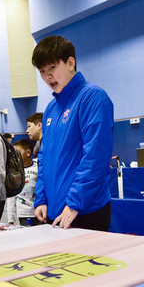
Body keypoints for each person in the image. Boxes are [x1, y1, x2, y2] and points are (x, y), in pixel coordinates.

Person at [31, 35, 114, 231]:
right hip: (54, 213)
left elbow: (95, 157)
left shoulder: (93, 97)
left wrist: (75, 203)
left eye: (52, 68)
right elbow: (44, 158)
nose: (47, 77)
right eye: (42, 71)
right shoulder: (50, 110)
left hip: (84, 212)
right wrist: (41, 198)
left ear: (70, 63)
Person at [6, 139, 39, 226]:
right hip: (23, 213)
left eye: (18, 152)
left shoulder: (37, 167)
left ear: (28, 152)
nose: (15, 156)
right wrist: (10, 220)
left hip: (38, 210)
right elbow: (11, 197)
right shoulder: (14, 172)